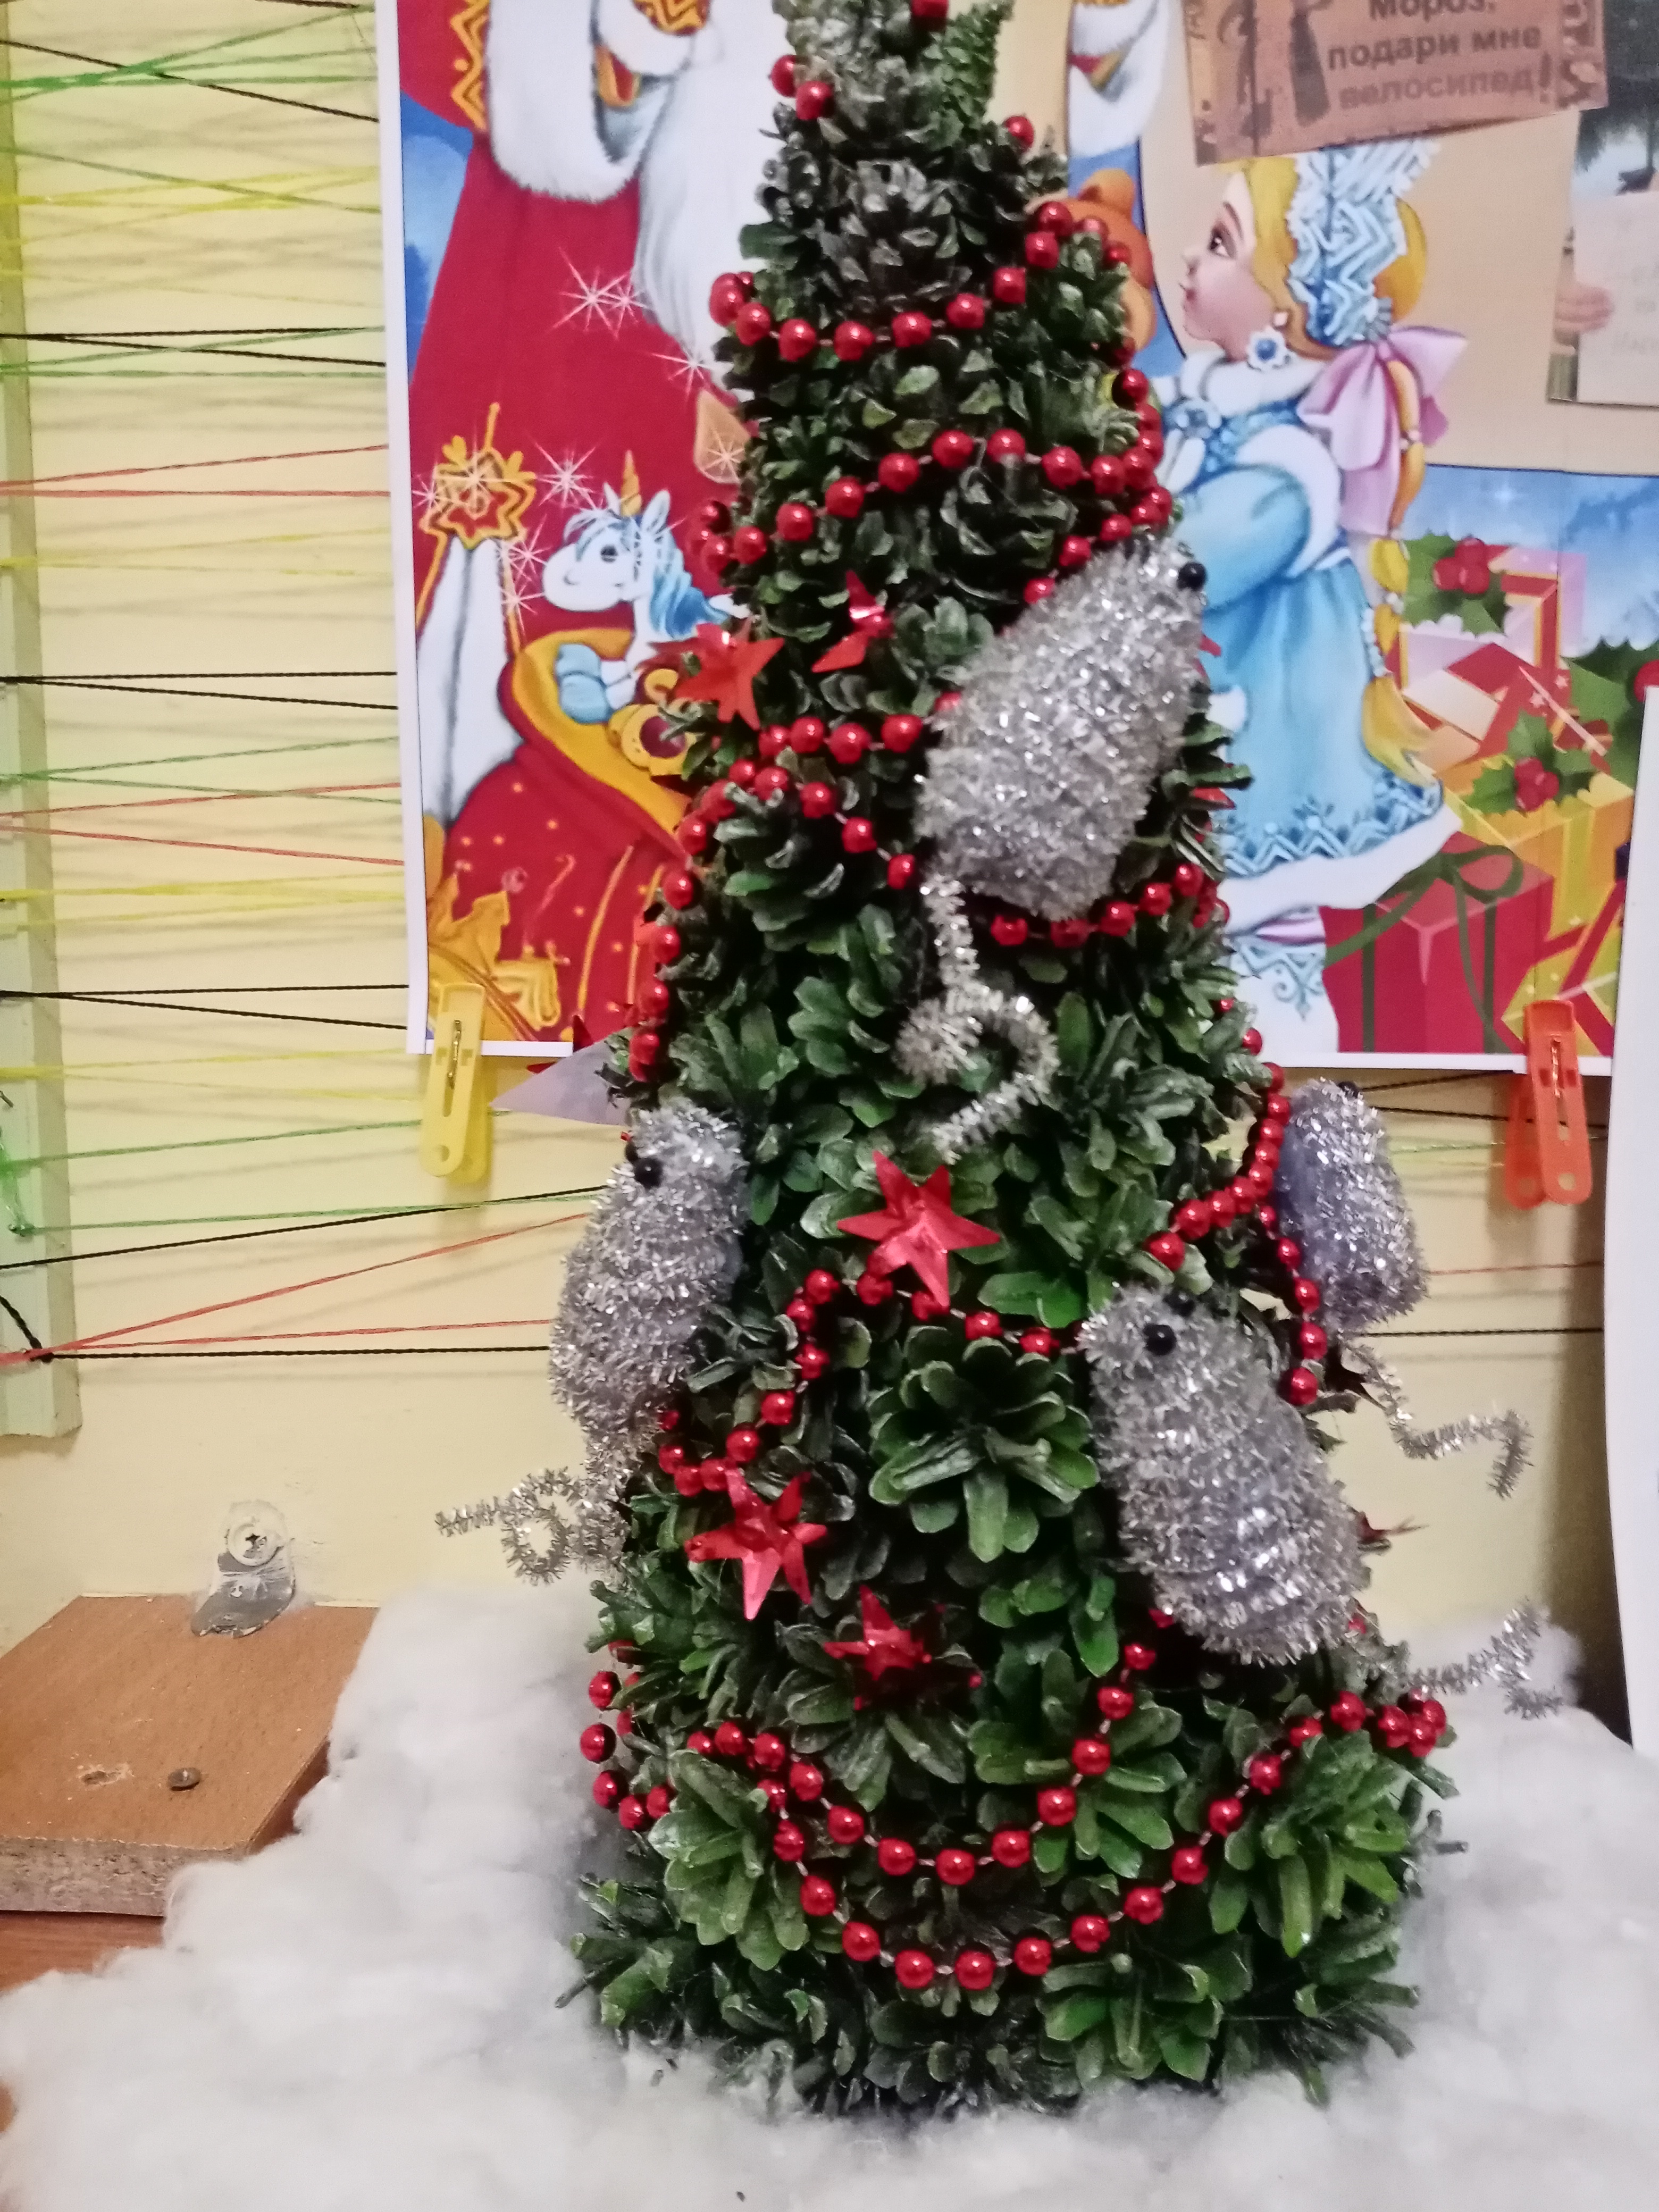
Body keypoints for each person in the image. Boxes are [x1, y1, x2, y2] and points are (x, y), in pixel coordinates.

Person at [1156, 141, 1462, 1054]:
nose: (1192, 257)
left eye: (1222, 243)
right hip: (1193, 722)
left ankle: (1276, 1065)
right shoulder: (1207, 407)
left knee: (1255, 935)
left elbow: (1193, 560)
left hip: (1263, 750)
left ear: (1286, 306)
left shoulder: (1291, 460)